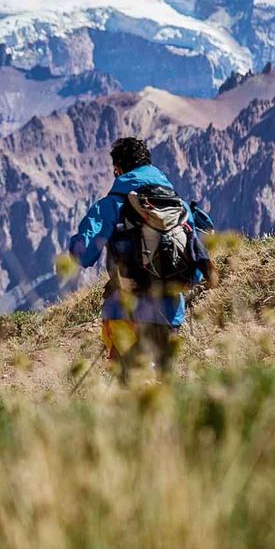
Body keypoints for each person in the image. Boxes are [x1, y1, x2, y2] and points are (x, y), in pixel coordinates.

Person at [67, 137, 213, 381]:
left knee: (129, 390)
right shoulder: (179, 207)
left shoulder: (110, 205)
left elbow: (83, 256)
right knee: (162, 392)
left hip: (125, 313)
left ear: (118, 169)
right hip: (170, 316)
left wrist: (75, 242)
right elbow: (197, 271)